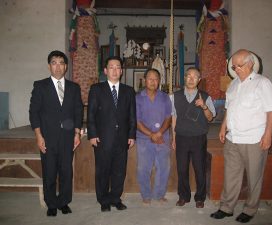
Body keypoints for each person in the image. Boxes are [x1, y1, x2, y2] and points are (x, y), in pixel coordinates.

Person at [210, 49, 272, 223]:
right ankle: (226, 207)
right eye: (234, 66)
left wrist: (268, 134)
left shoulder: (263, 83)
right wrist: (223, 127)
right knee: (230, 174)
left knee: (254, 176)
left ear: (250, 64)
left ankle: (250, 209)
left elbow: (271, 111)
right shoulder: (232, 85)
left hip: (254, 139)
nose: (236, 69)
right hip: (233, 138)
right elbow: (229, 109)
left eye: (240, 65)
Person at [29, 50, 83, 216]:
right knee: (49, 171)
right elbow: (34, 112)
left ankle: (64, 201)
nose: (58, 66)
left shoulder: (74, 88)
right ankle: (51, 203)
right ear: (49, 66)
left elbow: (78, 111)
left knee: (66, 171)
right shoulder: (40, 86)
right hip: (48, 137)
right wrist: (38, 136)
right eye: (54, 63)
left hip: (67, 137)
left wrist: (77, 134)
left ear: (65, 66)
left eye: (61, 63)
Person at [87, 56, 136, 212]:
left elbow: (132, 116)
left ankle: (116, 198)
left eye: (118, 67)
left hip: (122, 139)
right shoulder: (96, 89)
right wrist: (92, 134)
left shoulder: (129, 91)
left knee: (119, 170)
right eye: (111, 67)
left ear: (121, 71)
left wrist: (131, 135)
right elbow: (91, 114)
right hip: (102, 138)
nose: (115, 70)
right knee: (102, 170)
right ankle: (103, 200)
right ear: (106, 70)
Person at [171, 67, 216, 208]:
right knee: (182, 169)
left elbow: (210, 118)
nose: (191, 79)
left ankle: (200, 198)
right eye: (188, 76)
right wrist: (173, 138)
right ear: (185, 78)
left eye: (194, 77)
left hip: (198, 138)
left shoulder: (205, 96)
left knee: (199, 169)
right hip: (181, 138)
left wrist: (204, 106)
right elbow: (174, 118)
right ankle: (183, 196)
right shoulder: (175, 96)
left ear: (199, 80)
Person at [136, 69, 172, 205]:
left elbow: (168, 117)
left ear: (159, 81)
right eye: (150, 78)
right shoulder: (138, 98)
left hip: (163, 137)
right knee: (143, 168)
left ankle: (159, 194)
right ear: (145, 80)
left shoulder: (165, 97)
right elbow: (137, 121)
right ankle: (146, 195)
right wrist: (151, 134)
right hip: (144, 138)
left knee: (164, 167)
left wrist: (159, 133)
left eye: (156, 78)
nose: (152, 81)